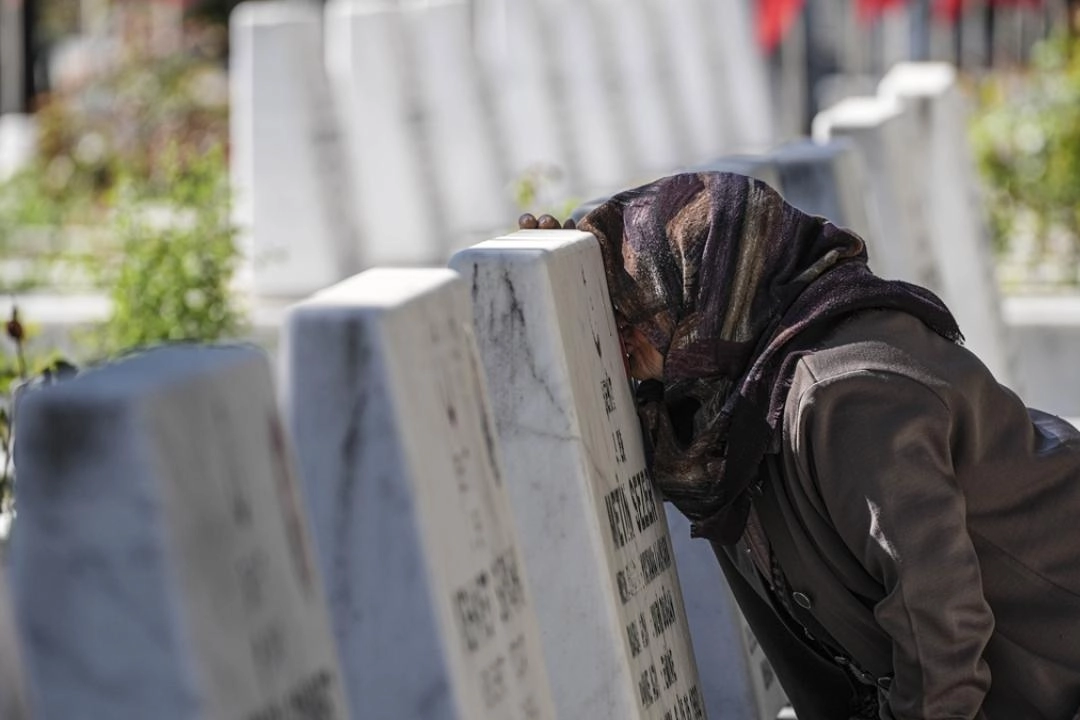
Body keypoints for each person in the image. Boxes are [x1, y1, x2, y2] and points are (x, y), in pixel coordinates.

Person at [521, 172, 1080, 720]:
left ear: (705, 292)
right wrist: (545, 295)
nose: (621, 333)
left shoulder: (846, 394)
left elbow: (939, 620)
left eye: (636, 308)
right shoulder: (724, 410)